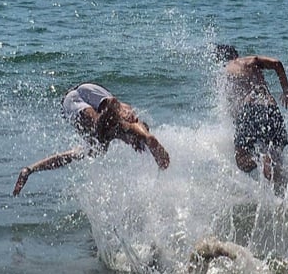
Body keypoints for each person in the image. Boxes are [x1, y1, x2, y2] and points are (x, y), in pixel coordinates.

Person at [13, 83, 170, 195]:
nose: (133, 147)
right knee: (105, 132)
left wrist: (31, 169)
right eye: (135, 145)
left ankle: (139, 131)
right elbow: (65, 158)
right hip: (79, 96)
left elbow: (65, 157)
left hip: (88, 93)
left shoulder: (115, 131)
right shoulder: (112, 135)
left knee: (105, 132)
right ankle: (140, 132)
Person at [212, 44, 288, 192]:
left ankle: (260, 160)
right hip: (271, 109)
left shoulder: (225, 72)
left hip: (249, 109)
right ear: (236, 54)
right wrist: (286, 91)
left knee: (241, 160)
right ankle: (283, 198)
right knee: (277, 158)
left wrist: (240, 125)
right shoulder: (249, 61)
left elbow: (233, 108)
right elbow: (277, 63)